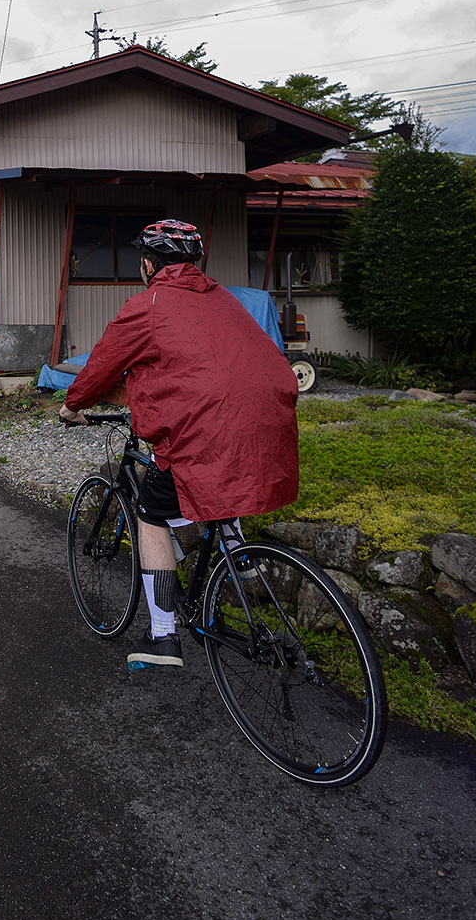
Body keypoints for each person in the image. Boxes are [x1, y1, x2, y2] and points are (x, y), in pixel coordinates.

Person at [59, 219, 299, 671]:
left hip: (202, 432)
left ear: (148, 265)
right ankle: (237, 556)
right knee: (217, 474)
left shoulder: (148, 303)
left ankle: (162, 637)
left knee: (151, 516)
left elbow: (100, 366)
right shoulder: (226, 300)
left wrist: (72, 407)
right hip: (267, 426)